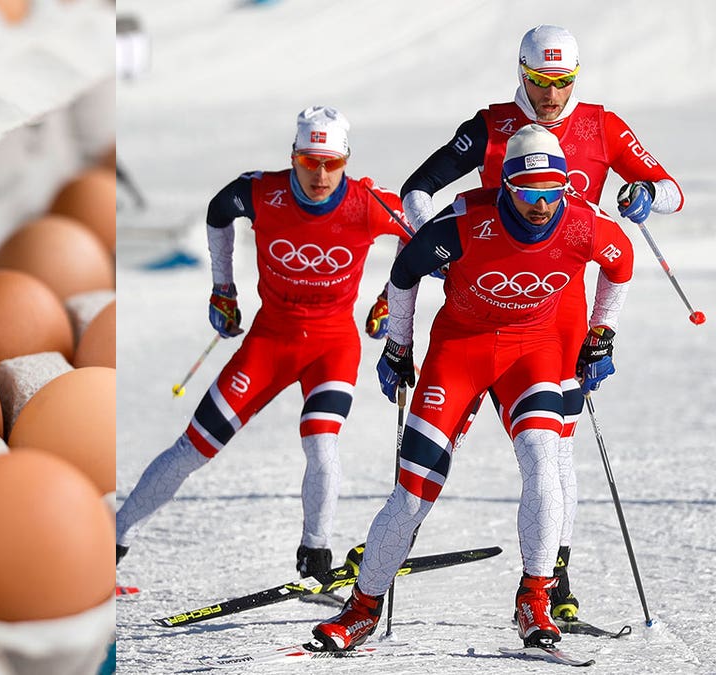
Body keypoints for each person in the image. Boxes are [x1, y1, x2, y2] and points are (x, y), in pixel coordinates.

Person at [362, 24, 684, 621]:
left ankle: (553, 580)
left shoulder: (601, 125)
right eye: (540, 82)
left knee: (555, 450)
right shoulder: (490, 127)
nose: (552, 96)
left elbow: (671, 192)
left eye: (563, 83)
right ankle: (538, 579)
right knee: (542, 451)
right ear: (521, 72)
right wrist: (431, 248)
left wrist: (644, 193)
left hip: (560, 308)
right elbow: (417, 190)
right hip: (487, 289)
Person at [312, 124, 634, 651]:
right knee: (414, 492)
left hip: (533, 351)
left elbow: (620, 265)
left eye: (552, 192)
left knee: (542, 456)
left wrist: (601, 334)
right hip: (460, 351)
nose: (541, 205)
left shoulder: (583, 223)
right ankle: (363, 608)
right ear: (507, 185)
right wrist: (398, 345)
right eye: (530, 193)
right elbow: (404, 271)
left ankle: (535, 599)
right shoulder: (465, 220)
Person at [115, 106, 413, 577]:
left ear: (346, 161)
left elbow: (422, 240)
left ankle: (316, 551)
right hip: (269, 342)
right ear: (293, 156)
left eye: (331, 163)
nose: (319, 174)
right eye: (308, 161)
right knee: (192, 447)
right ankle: (115, 538)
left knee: (321, 445)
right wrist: (222, 287)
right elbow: (218, 211)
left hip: (332, 347)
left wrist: (388, 300)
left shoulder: (367, 203)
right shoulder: (263, 192)